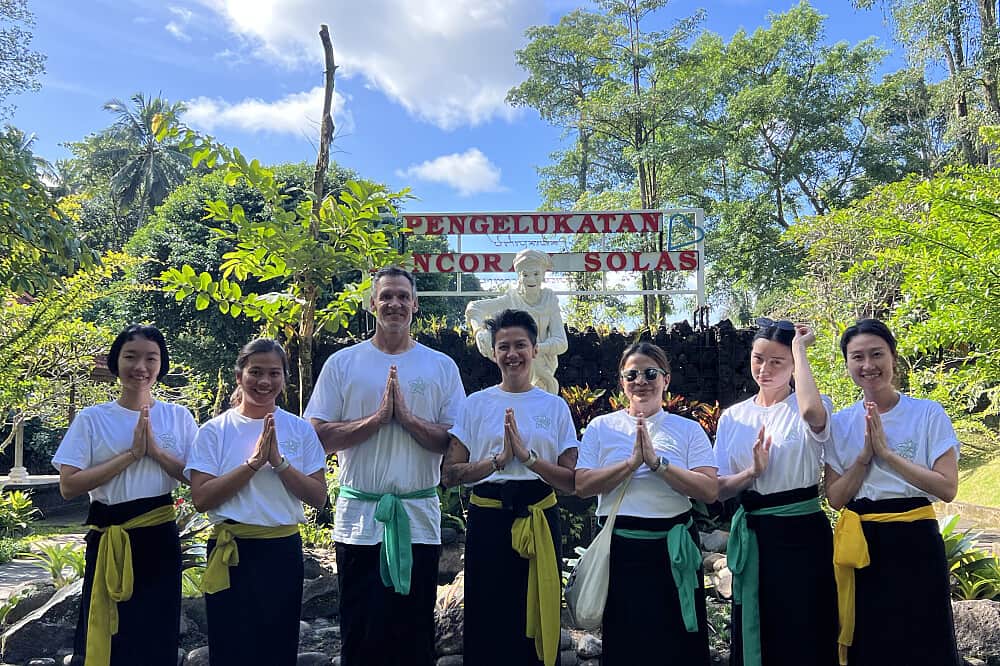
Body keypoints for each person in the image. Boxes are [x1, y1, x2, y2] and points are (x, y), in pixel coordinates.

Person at [305, 266, 465, 666]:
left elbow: (455, 442)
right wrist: (375, 421)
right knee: (361, 631)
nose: (394, 303)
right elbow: (317, 435)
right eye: (386, 296)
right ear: (372, 303)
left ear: (415, 305)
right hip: (360, 519)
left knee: (413, 633)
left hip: (417, 517)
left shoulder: (440, 366)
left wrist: (407, 421)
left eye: (403, 296)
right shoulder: (344, 363)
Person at [53, 324, 196, 666]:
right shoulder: (93, 419)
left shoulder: (178, 417)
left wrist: (155, 452)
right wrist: (130, 455)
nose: (141, 367)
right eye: (131, 357)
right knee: (108, 630)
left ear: (162, 364)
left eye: (151, 358)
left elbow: (196, 478)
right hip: (109, 537)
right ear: (116, 362)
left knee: (156, 631)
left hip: (159, 538)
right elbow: (69, 485)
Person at [442, 309, 578, 666]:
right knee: (488, 612)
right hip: (489, 520)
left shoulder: (555, 407)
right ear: (493, 351)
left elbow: (571, 482)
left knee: (535, 608)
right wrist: (495, 462)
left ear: (535, 349)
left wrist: (529, 460)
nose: (512, 354)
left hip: (539, 516)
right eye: (504, 346)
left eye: (520, 345)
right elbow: (450, 473)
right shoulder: (476, 405)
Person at [826, 319, 960, 666]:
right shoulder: (840, 423)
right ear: (847, 365)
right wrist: (864, 457)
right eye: (857, 357)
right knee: (871, 644)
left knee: (924, 639)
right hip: (864, 544)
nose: (868, 365)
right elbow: (836, 498)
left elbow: (947, 488)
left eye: (876, 354)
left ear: (893, 358)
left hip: (916, 539)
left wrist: (887, 455)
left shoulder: (927, 413)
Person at [186, 339, 327, 666]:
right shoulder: (215, 431)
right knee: (230, 644)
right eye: (256, 372)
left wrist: (278, 462)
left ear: (283, 378)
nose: (264, 381)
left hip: (280, 550)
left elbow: (318, 497)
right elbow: (201, 498)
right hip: (231, 551)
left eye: (274, 373)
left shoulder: (300, 430)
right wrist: (252, 464)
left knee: (278, 644)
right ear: (239, 375)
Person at [575, 342, 718, 666]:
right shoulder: (602, 427)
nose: (641, 380)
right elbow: (582, 485)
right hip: (622, 553)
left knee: (678, 644)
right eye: (632, 374)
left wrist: (657, 464)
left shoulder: (687, 429)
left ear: (665, 379)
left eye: (650, 373)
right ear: (622, 381)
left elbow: (709, 490)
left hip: (673, 552)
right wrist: (630, 464)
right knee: (626, 643)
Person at [714, 318, 837, 666]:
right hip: (754, 532)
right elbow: (718, 489)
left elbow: (813, 413)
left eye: (777, 361)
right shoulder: (733, 417)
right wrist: (752, 472)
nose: (765, 369)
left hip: (803, 533)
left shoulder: (810, 404)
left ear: (793, 365)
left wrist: (800, 348)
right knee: (757, 624)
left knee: (805, 626)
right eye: (758, 359)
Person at [465, 249, 568, 393]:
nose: (531, 279)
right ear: (519, 276)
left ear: (543, 275)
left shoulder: (549, 300)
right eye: (525, 275)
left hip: (544, 377)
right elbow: (474, 308)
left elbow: (561, 343)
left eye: (536, 274)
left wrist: (534, 349)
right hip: (515, 373)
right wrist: (479, 332)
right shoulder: (511, 300)